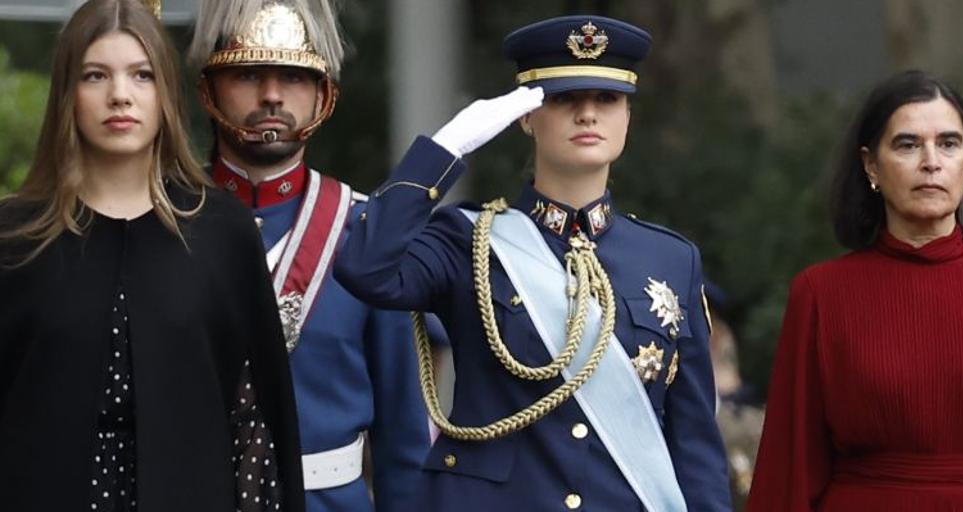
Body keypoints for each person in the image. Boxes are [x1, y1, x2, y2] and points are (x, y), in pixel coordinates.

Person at [335, 15, 731, 512]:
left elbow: (694, 444)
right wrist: (443, 151)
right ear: (526, 116)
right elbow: (364, 268)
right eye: (565, 99)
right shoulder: (467, 239)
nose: (588, 114)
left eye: (606, 100)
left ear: (627, 116)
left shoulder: (672, 258)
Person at [0, 0, 305, 511]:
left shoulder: (222, 233)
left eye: (141, 75)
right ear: (67, 95)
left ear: (165, 92)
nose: (120, 95)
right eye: (96, 75)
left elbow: (256, 422)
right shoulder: (15, 237)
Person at [187, 2, 431, 511]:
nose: (272, 95)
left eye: (294, 77)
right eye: (249, 73)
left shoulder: (367, 233)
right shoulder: (164, 223)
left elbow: (403, 437)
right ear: (208, 89)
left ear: (324, 94)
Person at [746, 70, 963, 511]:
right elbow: (790, 468)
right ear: (871, 165)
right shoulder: (822, 294)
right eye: (908, 144)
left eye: (949, 144)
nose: (931, 161)